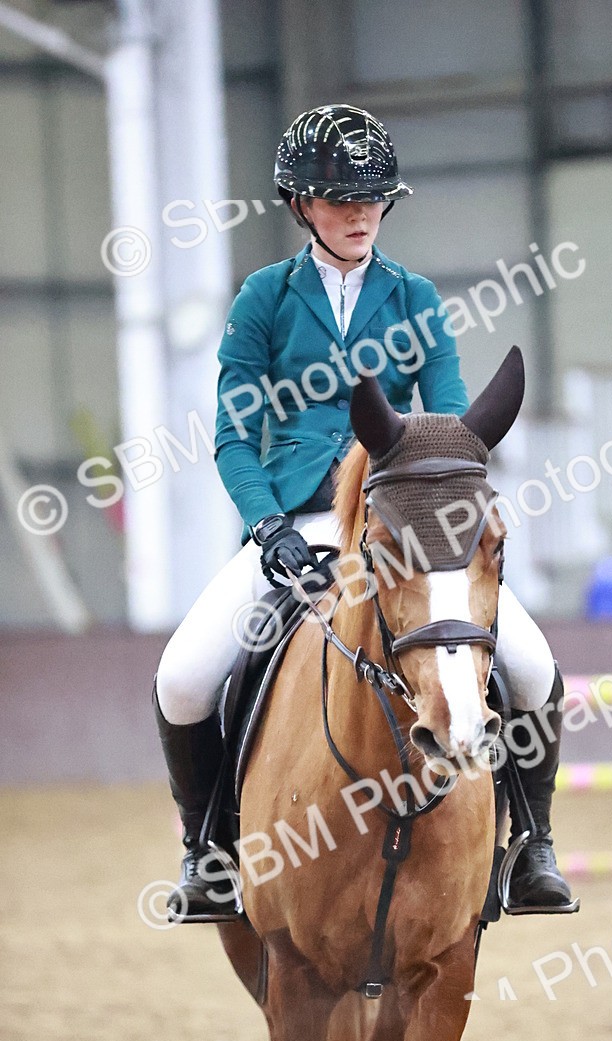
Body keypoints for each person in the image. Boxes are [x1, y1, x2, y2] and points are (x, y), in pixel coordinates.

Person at [153, 103, 577, 922]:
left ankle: (533, 844)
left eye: (373, 198)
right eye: (341, 199)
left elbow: (449, 423)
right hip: (299, 527)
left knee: (531, 666)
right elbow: (235, 438)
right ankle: (206, 851)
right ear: (301, 205)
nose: (360, 214)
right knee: (183, 677)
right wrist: (269, 529)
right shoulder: (264, 299)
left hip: (401, 527)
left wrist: (447, 510)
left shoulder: (414, 298)